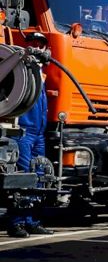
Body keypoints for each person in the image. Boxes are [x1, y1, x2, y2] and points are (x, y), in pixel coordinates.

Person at [7, 76, 54, 238]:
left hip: (39, 133)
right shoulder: (23, 73)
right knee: (24, 178)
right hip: (24, 132)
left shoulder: (40, 77)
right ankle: (16, 223)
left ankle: (32, 221)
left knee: (40, 177)